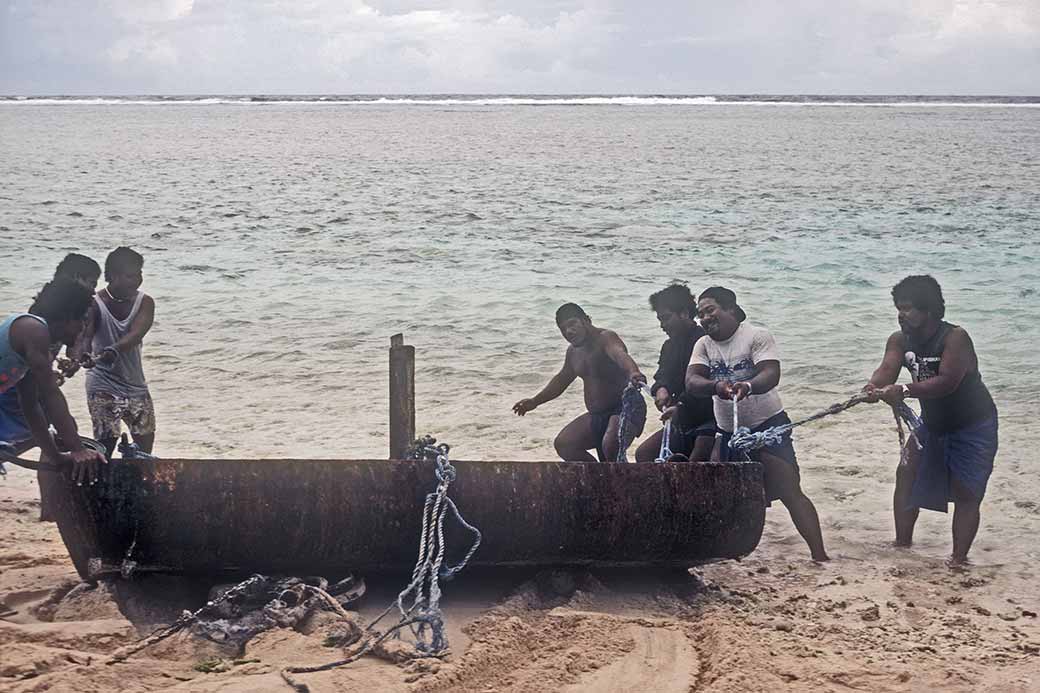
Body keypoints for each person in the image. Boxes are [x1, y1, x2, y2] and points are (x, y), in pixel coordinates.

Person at [685, 287, 829, 561]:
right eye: (701, 314)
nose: (705, 318)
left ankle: (820, 556)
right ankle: (722, 556)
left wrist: (748, 386)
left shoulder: (756, 336)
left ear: (731, 309)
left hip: (767, 426)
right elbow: (692, 382)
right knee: (723, 495)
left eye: (710, 310)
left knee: (789, 491)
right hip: (728, 433)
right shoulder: (703, 344)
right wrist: (716, 386)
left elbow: (771, 374)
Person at [863, 275, 998, 565]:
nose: (901, 314)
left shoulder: (954, 337)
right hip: (933, 423)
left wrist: (905, 390)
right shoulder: (899, 339)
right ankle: (901, 545)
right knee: (906, 474)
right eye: (898, 307)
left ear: (930, 310)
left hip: (972, 423)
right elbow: (887, 369)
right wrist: (873, 388)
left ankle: (958, 561)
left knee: (966, 491)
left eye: (908, 308)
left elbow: (948, 382)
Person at [0, 278, 107, 484]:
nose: (84, 328)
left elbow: (30, 407)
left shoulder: (34, 346)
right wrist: (77, 448)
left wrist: (57, 457)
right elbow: (51, 394)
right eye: (82, 320)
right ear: (67, 317)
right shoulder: (33, 329)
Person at [513, 303, 647, 462]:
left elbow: (619, 354)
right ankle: (597, 477)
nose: (568, 331)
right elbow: (561, 380)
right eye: (563, 329)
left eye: (572, 324)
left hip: (626, 408)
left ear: (586, 320)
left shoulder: (605, 338)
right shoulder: (573, 352)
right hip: (597, 415)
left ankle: (620, 480)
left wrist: (633, 371)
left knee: (611, 444)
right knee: (565, 444)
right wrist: (535, 401)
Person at [76, 247, 156, 459]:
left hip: (135, 384)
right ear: (112, 276)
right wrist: (83, 355)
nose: (137, 280)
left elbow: (136, 333)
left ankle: (136, 487)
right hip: (102, 383)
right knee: (105, 445)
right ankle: (103, 489)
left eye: (139, 273)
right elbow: (85, 337)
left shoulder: (145, 302)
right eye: (131, 275)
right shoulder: (95, 303)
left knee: (144, 447)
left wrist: (114, 349)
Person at [635, 284, 715, 463]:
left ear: (685, 313)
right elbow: (662, 375)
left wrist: (680, 407)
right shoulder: (668, 346)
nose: (662, 325)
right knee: (644, 454)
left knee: (696, 463)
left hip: (709, 418)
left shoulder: (705, 341)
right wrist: (661, 388)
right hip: (682, 418)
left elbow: (704, 388)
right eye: (659, 320)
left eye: (666, 318)